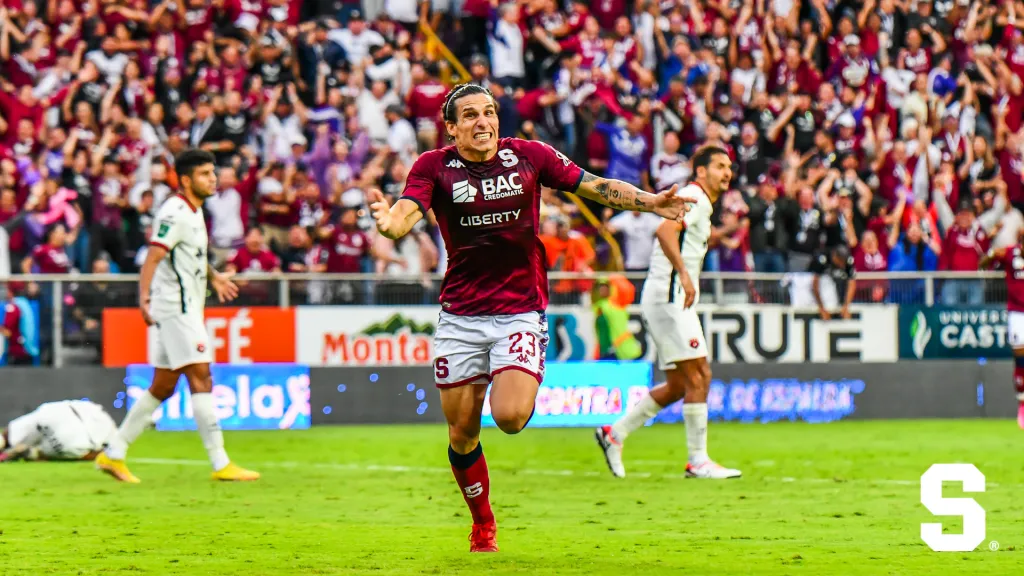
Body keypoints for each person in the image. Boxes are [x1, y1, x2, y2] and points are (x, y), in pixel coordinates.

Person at [368, 83, 694, 552]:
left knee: (511, 416)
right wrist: (389, 224)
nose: (483, 122)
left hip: (519, 311)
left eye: (489, 113)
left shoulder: (529, 156)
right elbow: (405, 214)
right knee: (462, 432)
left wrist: (651, 201)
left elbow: (597, 186)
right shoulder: (433, 167)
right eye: (471, 116)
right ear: (452, 127)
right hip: (460, 316)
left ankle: (518, 369)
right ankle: (483, 523)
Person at [95, 149, 259, 484]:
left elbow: (192, 256)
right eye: (204, 174)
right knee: (202, 377)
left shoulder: (195, 211)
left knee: (163, 385)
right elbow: (154, 256)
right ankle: (221, 462)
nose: (212, 178)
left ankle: (113, 453)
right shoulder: (174, 210)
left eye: (213, 173)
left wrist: (213, 277)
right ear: (185, 180)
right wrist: (143, 297)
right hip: (177, 309)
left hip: (181, 308)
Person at [594, 145, 742, 480]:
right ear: (700, 171)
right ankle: (698, 460)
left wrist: (721, 235)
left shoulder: (701, 203)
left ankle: (613, 433)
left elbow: (684, 236)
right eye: (719, 165)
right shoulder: (695, 196)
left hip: (664, 296)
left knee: (678, 384)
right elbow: (664, 231)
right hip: (671, 295)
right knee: (700, 374)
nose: (727, 172)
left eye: (729, 166)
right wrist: (686, 274)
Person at [980, 233, 1024, 429]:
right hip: (1017, 313)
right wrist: (991, 254)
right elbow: (982, 263)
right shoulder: (1009, 253)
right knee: (1020, 356)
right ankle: (1022, 403)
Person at [0, 400, 116, 462]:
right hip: (73, 441)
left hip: (54, 415)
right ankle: (32, 454)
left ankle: (14, 448)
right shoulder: (109, 427)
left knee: (10, 435)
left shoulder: (90, 406)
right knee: (44, 454)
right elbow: (105, 452)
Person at [810, 244, 857, 320]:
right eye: (841, 261)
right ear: (834, 256)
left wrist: (846, 306)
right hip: (818, 291)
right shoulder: (822, 259)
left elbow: (852, 283)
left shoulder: (848, 261)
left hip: (838, 289)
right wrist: (821, 308)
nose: (842, 264)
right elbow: (814, 285)